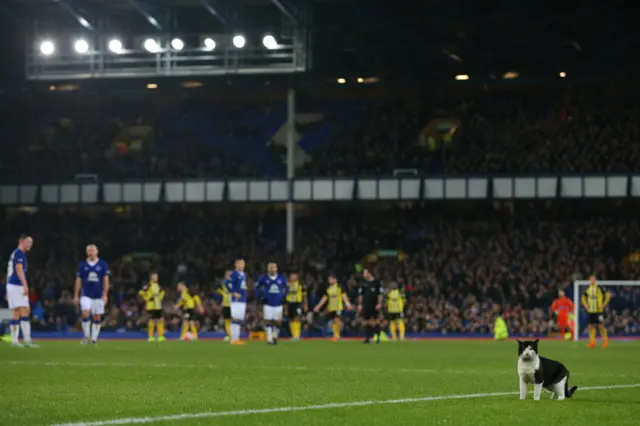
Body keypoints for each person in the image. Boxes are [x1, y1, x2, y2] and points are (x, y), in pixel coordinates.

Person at [5, 234, 37, 348]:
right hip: (16, 285)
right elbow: (18, 270)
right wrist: (25, 285)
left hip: (12, 285)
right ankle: (23, 340)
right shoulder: (19, 254)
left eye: (31, 243)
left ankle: (18, 340)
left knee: (19, 312)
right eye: (28, 242)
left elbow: (9, 271)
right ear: (21, 241)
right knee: (22, 311)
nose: (30, 245)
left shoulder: (15, 253)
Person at [73, 244, 110, 345]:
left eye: (93, 250)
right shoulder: (82, 265)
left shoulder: (102, 264)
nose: (91, 252)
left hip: (98, 295)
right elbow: (78, 280)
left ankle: (94, 338)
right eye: (89, 250)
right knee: (85, 313)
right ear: (86, 252)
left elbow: (106, 280)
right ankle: (86, 336)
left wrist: (105, 294)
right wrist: (76, 294)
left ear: (97, 251)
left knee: (97, 316)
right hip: (86, 294)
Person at [313, 273, 352, 342]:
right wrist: (318, 306)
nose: (329, 281)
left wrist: (348, 304)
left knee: (337, 320)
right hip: (331, 308)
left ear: (335, 279)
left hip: (338, 307)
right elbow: (324, 298)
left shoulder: (340, 287)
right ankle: (336, 335)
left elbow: (344, 296)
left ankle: (337, 336)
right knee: (334, 321)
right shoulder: (328, 288)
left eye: (330, 279)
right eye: (328, 279)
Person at [256, 262, 288, 345]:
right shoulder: (264, 278)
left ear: (276, 268)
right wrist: (260, 296)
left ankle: (275, 336)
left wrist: (284, 296)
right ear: (268, 269)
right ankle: (269, 338)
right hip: (267, 303)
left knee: (278, 321)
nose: (272, 269)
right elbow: (257, 287)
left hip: (278, 303)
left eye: (274, 267)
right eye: (270, 267)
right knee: (268, 321)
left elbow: (287, 287)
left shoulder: (281, 278)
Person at [581, 275, 610, 348]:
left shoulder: (599, 287)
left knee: (601, 325)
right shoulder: (588, 288)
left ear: (595, 280)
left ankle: (605, 341)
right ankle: (592, 342)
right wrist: (586, 305)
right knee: (590, 326)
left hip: (599, 310)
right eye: (591, 279)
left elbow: (608, 295)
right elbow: (583, 297)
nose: (592, 280)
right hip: (591, 311)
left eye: (593, 279)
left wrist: (604, 304)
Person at [357, 269, 383, 343]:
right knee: (366, 321)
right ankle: (367, 338)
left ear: (369, 273)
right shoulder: (363, 283)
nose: (363, 275)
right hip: (366, 305)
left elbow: (380, 294)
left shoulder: (376, 282)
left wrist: (379, 303)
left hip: (374, 305)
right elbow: (361, 295)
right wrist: (359, 304)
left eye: (365, 273)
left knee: (376, 321)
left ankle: (378, 338)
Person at [226, 258, 248, 345]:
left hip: (243, 299)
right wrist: (233, 293)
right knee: (235, 318)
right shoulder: (234, 274)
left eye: (242, 264)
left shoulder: (243, 274)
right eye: (239, 264)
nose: (241, 265)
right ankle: (233, 339)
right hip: (236, 300)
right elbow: (227, 283)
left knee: (239, 319)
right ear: (236, 265)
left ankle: (236, 338)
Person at [139, 272, 165, 342]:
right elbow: (141, 292)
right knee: (151, 321)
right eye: (155, 276)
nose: (156, 278)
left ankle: (160, 336)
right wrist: (147, 298)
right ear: (151, 277)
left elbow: (162, 292)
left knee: (160, 320)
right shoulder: (148, 285)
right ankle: (150, 336)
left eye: (157, 276)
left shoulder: (157, 285)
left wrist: (160, 298)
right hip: (151, 306)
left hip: (158, 305)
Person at [286, 272, 307, 341]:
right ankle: (293, 336)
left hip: (298, 303)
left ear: (297, 277)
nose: (293, 277)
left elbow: (304, 296)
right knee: (291, 319)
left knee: (297, 318)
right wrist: (285, 307)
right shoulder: (287, 285)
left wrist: (305, 304)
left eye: (294, 276)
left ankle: (297, 336)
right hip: (289, 304)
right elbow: (284, 296)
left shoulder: (300, 284)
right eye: (291, 276)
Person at [217, 270, 232, 341]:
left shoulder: (234, 284)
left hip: (233, 304)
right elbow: (223, 293)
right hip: (226, 304)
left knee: (233, 321)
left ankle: (232, 335)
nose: (229, 276)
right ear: (225, 276)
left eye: (230, 275)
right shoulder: (224, 285)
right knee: (227, 320)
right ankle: (229, 335)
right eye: (228, 275)